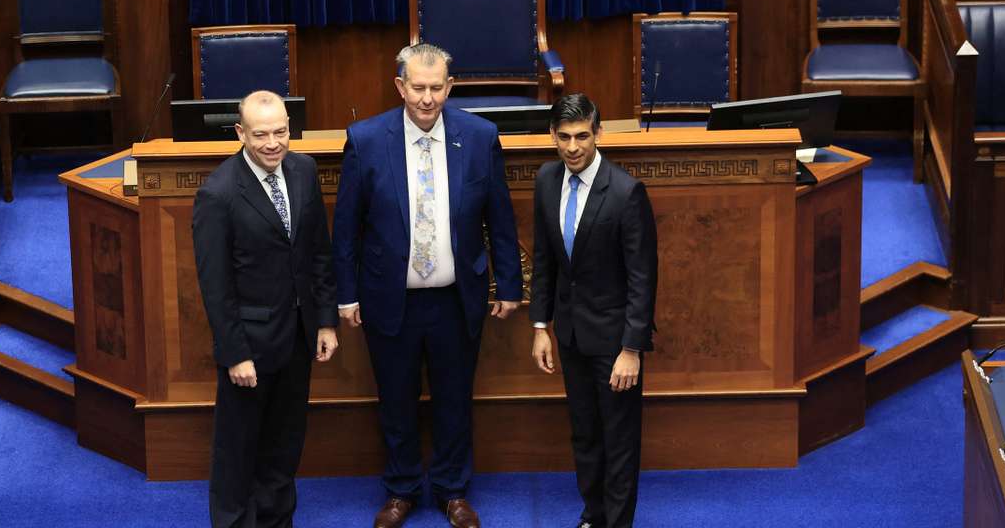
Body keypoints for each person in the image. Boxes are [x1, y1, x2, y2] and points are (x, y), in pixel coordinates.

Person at [332, 44, 523, 528]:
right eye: (417, 87)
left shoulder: (480, 137)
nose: (426, 98)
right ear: (400, 86)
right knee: (395, 400)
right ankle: (400, 491)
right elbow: (347, 229)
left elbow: (499, 219)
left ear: (450, 87)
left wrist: (510, 285)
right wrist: (347, 293)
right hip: (387, 298)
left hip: (457, 298)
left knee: (455, 399)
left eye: (437, 88)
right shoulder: (366, 139)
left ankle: (452, 490)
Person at [192, 90, 339, 528]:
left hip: (297, 336)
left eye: (280, 132)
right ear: (240, 133)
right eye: (261, 135)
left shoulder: (304, 170)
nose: (273, 143)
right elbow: (214, 285)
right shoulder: (218, 193)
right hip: (249, 346)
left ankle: (277, 522)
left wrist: (326, 321)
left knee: (284, 443)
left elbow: (318, 253)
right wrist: (235, 352)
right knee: (237, 452)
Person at [529, 93, 658, 528]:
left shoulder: (626, 192)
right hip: (569, 336)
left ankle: (617, 523)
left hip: (614, 341)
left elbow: (643, 278)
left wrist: (631, 349)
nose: (573, 147)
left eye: (582, 136)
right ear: (552, 135)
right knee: (584, 435)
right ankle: (594, 515)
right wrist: (540, 326)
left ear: (598, 133)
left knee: (618, 440)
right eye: (563, 137)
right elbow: (545, 260)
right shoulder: (547, 180)